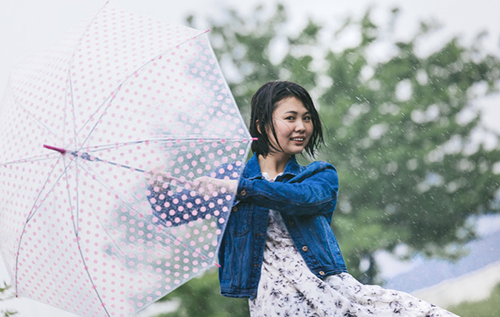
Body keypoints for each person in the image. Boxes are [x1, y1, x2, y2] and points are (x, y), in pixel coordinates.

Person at [148, 81, 459, 316]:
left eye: (307, 118)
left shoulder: (319, 175)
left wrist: (238, 189)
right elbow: (175, 213)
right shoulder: (230, 176)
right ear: (262, 125)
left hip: (331, 292)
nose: (301, 127)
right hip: (273, 302)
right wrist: (158, 189)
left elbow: (303, 198)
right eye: (291, 118)